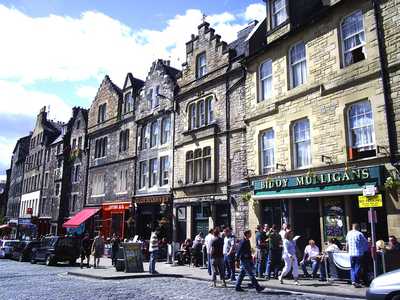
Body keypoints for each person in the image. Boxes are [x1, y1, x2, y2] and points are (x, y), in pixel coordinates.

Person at [346, 223, 368, 288]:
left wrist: (347, 251)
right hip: (358, 253)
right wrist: (365, 250)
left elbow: (347, 244)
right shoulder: (360, 234)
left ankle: (353, 281)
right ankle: (356, 281)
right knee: (357, 267)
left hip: (351, 253)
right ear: (358, 227)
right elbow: (365, 243)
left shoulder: (349, 233)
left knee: (352, 268)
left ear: (352, 227)